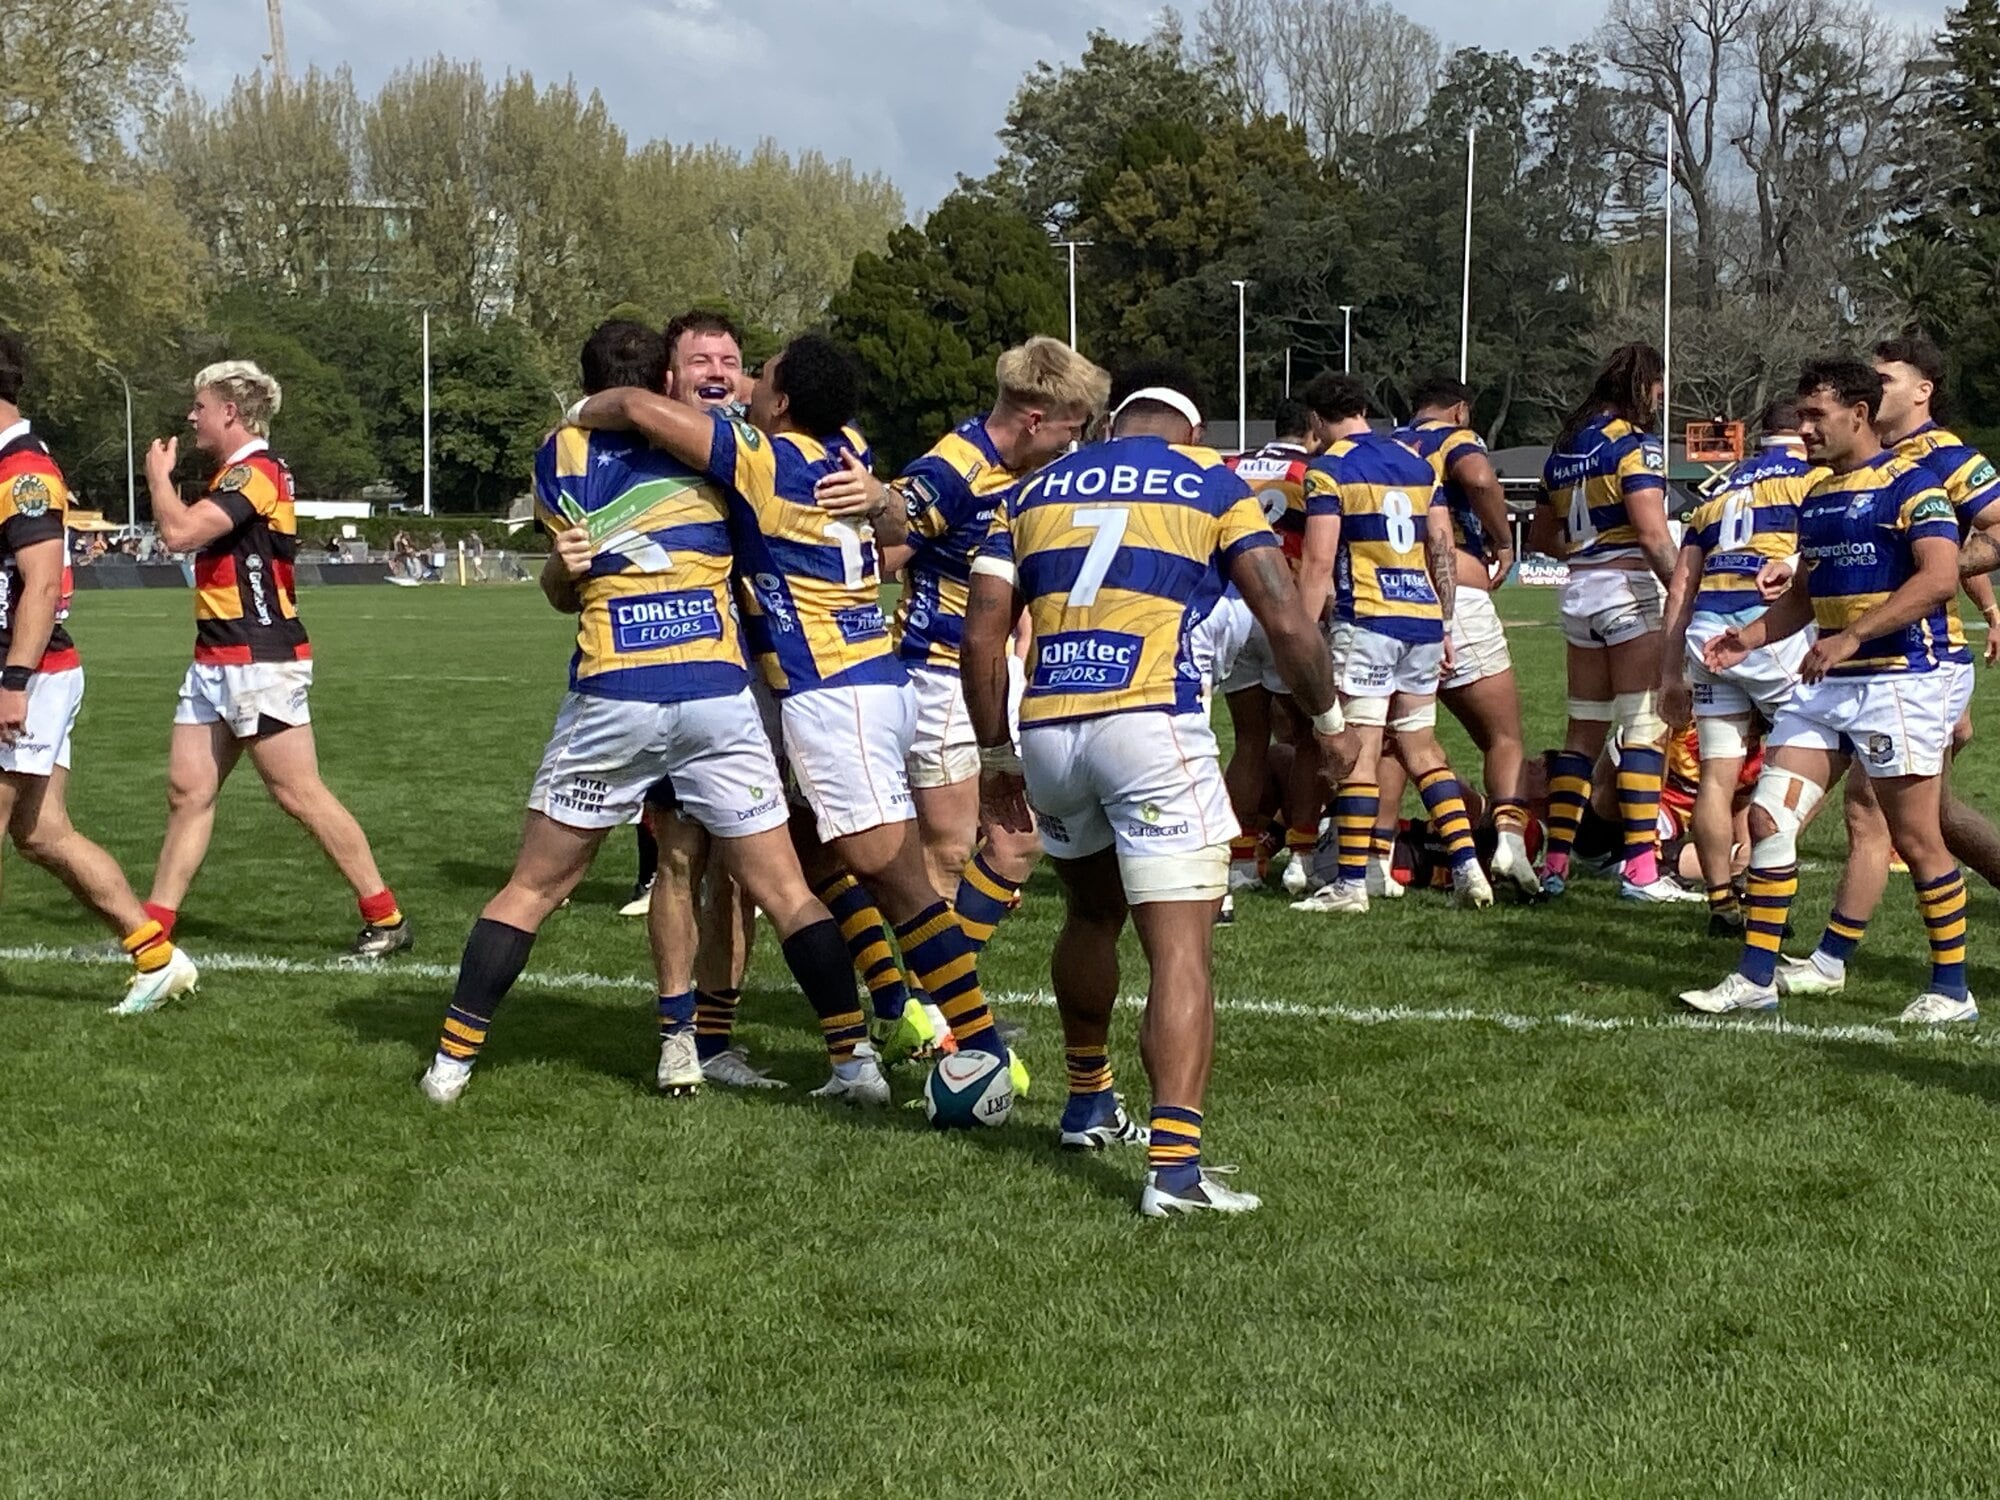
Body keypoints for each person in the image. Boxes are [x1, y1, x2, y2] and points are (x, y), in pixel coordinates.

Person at [419, 320, 885, 1104]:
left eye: (733, 365)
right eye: (699, 364)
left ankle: (451, 1064)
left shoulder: (556, 452)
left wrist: (560, 579)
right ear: (664, 380)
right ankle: (852, 1062)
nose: (720, 377)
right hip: (714, 693)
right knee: (785, 890)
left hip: (614, 692)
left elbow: (577, 570)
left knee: (533, 888)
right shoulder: (724, 454)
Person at [566, 332, 1018, 1096]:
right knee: (810, 861)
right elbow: (895, 519)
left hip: (831, 693)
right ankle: (853, 1052)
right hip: (857, 679)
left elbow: (641, 408)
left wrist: (577, 412)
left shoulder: (763, 457)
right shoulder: (846, 444)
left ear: (778, 401)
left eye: (759, 375)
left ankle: (978, 1049)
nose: (743, 383)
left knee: (899, 881)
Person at [962, 359, 1358, 1217]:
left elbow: (985, 637)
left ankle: (1086, 1102)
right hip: (1150, 724)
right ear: (1194, 427)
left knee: (1089, 917)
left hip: (1050, 724)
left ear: (1113, 421)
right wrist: (1328, 727)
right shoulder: (1211, 484)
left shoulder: (1030, 490)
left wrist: (996, 757)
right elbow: (1285, 616)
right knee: (1180, 951)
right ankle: (1174, 1170)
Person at [1680, 356, 1972, 1022]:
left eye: (1817, 415)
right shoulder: (1816, 494)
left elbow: (1938, 579)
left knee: (1919, 836)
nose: (1804, 428)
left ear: (1858, 414)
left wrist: (1852, 637)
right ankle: (1755, 977)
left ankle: (1952, 990)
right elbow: (1810, 592)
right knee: (1768, 818)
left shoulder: (1914, 486)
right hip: (1831, 682)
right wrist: (1748, 638)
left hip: (1900, 679)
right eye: (1803, 413)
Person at [140, 361, 411, 957]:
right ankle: (151, 934)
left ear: (230, 413)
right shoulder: (237, 474)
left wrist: (158, 478)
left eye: (201, 406)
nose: (192, 417)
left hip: (257, 657)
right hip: (216, 655)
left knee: (297, 792)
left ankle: (385, 917)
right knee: (188, 793)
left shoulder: (257, 472)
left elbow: (181, 534)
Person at [869, 337, 1107, 951]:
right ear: (1033, 420)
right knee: (957, 851)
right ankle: (937, 1015)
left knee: (1007, 839)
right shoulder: (954, 469)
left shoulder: (1013, 471)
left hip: (982, 672)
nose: (1069, 444)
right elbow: (883, 543)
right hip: (940, 674)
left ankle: (939, 1005)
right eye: (1068, 429)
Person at [1779, 336, 2000, 997]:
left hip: (1916, 660)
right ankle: (1828, 958)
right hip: (1878, 662)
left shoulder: (1947, 456)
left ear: (1921, 390)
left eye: (1885, 378)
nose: (1873, 387)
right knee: (1902, 815)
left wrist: (1917, 569)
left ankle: (1836, 961)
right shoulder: (1858, 462)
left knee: (1893, 816)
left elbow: (1993, 532)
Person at [0, 329, 197, 1013]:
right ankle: (155, 955)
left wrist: (14, 682)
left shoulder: (22, 471)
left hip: (28, 674)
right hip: (32, 674)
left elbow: (42, 585)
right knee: (42, 833)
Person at [1290, 372, 1494, 913]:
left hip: (1368, 620)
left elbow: (1316, 563)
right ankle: (1469, 868)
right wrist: (1445, 623)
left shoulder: (1327, 470)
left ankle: (1350, 884)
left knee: (1356, 749)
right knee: (1421, 748)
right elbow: (1442, 548)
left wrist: (1303, 637)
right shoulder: (1416, 462)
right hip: (1423, 620)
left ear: (1316, 420)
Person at [1531, 342, 1698, 903]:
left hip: (1579, 591)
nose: (1660, 397)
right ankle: (1642, 871)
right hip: (1628, 591)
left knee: (1582, 733)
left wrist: (1589, 545)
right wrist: (1686, 588)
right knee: (1645, 728)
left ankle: (1555, 865)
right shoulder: (1633, 446)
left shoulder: (1563, 450)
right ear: (1643, 384)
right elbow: (1653, 533)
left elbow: (1541, 539)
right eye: (1658, 387)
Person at [1657, 398, 1820, 935]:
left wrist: (1668, 672)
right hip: (1766, 633)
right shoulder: (1811, 480)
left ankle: (1721, 903)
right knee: (1814, 757)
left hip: (1706, 634)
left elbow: (1680, 585)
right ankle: (1759, 874)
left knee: (1716, 778)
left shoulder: (1717, 491)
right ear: (1802, 430)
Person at [1393, 375, 1539, 895]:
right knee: (1504, 737)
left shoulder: (1388, 446)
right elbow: (1477, 478)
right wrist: (1503, 540)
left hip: (1394, 597)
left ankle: (1374, 854)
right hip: (1455, 592)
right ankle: (1508, 842)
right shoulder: (1454, 437)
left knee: (1399, 740)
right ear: (1459, 410)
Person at [1218, 399, 1320, 895]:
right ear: (1312, 430)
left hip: (1233, 609)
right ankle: (1301, 855)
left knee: (1249, 740)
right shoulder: (1311, 471)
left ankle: (1240, 862)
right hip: (1284, 606)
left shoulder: (1230, 465)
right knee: (1305, 739)